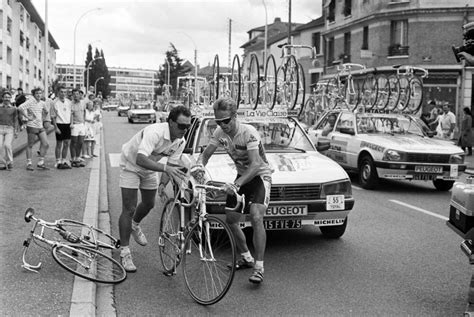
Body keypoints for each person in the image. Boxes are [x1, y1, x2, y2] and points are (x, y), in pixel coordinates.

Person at [195, 97, 273, 284]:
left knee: (256, 216)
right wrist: (199, 167)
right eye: (218, 121)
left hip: (259, 176)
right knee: (230, 219)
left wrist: (237, 185)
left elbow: (255, 164)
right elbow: (205, 155)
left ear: (235, 116)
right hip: (241, 178)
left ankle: (259, 268)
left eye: (226, 120)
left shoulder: (248, 132)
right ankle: (246, 257)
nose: (223, 125)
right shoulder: (220, 132)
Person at [118, 105, 191, 272]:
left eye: (188, 126)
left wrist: (163, 184)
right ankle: (125, 251)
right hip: (131, 165)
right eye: (181, 126)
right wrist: (165, 169)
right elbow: (140, 159)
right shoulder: (155, 132)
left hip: (151, 168)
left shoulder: (180, 141)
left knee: (149, 203)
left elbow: (172, 165)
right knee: (129, 208)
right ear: (171, 122)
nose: (185, 130)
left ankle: (135, 225)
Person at [18, 88, 49, 170]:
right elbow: (20, 108)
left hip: (40, 126)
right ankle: (29, 163)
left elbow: (46, 111)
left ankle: (41, 162)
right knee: (30, 145)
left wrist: (43, 118)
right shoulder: (30, 101)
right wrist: (27, 117)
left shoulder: (42, 103)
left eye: (40, 93)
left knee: (45, 143)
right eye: (37, 93)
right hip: (31, 126)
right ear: (33, 94)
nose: (39, 95)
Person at [51, 86, 72, 169]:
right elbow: (53, 117)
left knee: (66, 143)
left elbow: (71, 113)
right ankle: (57, 160)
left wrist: (71, 123)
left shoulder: (69, 102)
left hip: (67, 124)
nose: (63, 94)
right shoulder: (54, 102)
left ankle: (63, 160)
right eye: (61, 92)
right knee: (59, 144)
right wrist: (56, 128)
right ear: (58, 93)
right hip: (59, 124)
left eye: (64, 92)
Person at [0, 91, 19, 170]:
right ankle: (2, 163)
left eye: (8, 97)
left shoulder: (14, 109)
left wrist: (16, 131)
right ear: (2, 98)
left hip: (9, 129)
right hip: (0, 128)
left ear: (10, 98)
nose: (7, 99)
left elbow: (16, 120)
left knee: (7, 145)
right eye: (5, 97)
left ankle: (10, 162)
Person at [70, 89, 87, 167]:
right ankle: (73, 159)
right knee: (74, 142)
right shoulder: (71, 104)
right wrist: (71, 124)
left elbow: (84, 112)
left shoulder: (83, 103)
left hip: (82, 125)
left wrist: (84, 123)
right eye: (74, 94)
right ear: (72, 95)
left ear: (79, 95)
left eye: (77, 94)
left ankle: (77, 157)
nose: (76, 96)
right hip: (74, 125)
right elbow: (70, 115)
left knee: (80, 142)